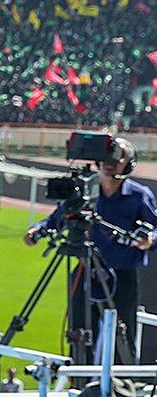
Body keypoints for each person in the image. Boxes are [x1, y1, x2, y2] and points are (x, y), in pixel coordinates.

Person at [24, 137, 157, 363]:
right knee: (79, 334)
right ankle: (79, 380)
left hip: (123, 276)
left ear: (129, 165)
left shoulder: (139, 195)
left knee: (123, 337)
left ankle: (122, 382)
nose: (109, 164)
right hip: (86, 271)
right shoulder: (85, 191)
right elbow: (58, 217)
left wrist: (150, 239)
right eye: (106, 158)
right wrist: (37, 230)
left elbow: (155, 228)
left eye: (117, 159)